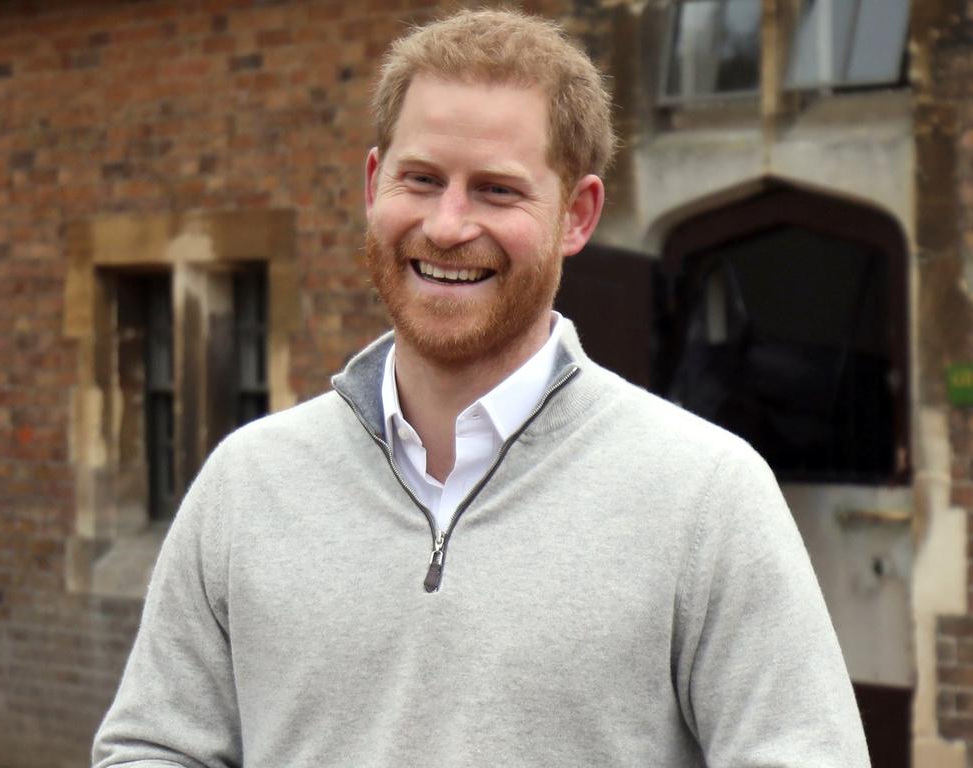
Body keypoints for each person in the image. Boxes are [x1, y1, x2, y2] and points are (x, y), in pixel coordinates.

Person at [92, 9, 870, 767]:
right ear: (373, 184)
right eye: (421, 179)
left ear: (578, 214)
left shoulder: (706, 494)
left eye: (497, 191)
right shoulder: (249, 480)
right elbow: (154, 747)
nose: (448, 224)